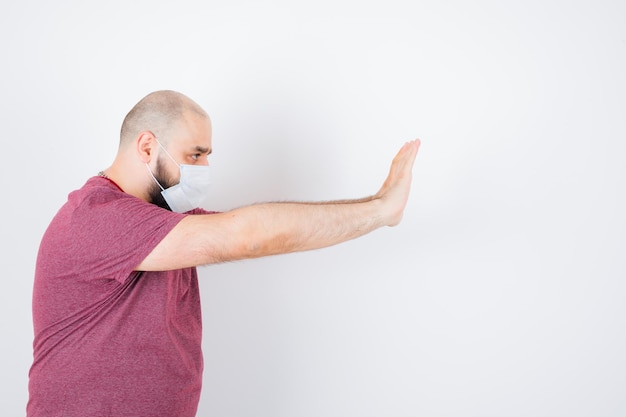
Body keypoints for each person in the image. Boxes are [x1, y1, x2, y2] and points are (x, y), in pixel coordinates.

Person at [27, 90, 421, 417]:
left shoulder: (161, 220)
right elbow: (247, 236)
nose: (205, 168)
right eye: (195, 155)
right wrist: (381, 210)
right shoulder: (98, 217)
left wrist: (377, 204)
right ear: (147, 146)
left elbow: (272, 232)